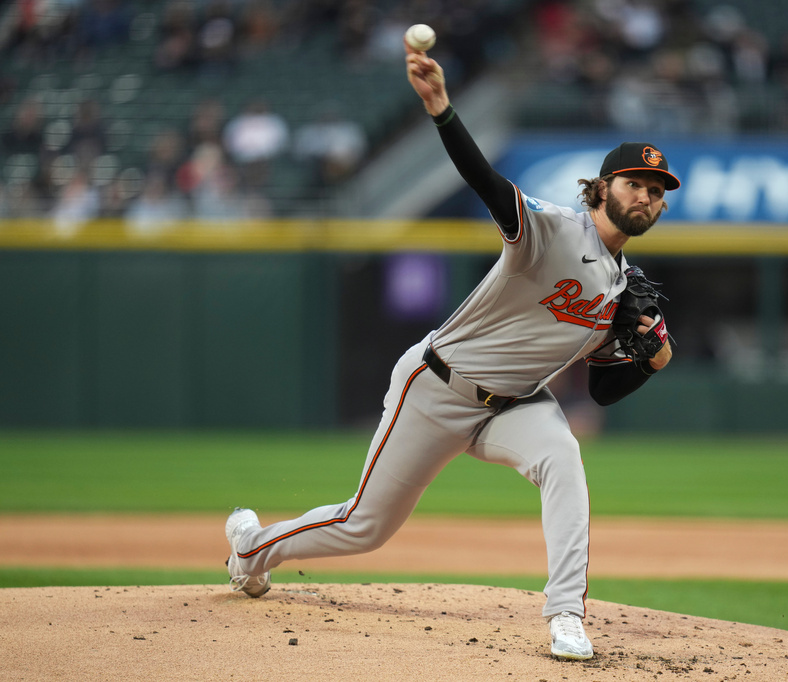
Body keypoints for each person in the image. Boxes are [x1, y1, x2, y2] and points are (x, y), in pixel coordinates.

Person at [223, 34, 677, 662]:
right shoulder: (549, 228)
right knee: (366, 527)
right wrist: (442, 108)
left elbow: (602, 388)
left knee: (564, 460)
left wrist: (650, 355)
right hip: (437, 385)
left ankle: (566, 614)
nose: (647, 198)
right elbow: (487, 183)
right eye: (636, 184)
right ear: (603, 187)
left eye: (657, 193)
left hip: (514, 406)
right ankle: (251, 549)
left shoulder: (624, 290)